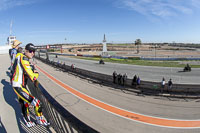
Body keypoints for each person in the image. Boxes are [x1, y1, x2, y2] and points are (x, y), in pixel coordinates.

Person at [11, 43, 49, 127]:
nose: (33, 53)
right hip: (19, 86)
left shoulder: (19, 55)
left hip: (16, 84)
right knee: (37, 103)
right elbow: (33, 77)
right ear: (26, 51)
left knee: (24, 102)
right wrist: (36, 72)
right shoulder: (24, 59)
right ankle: (40, 121)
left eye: (34, 51)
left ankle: (27, 121)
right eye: (31, 51)